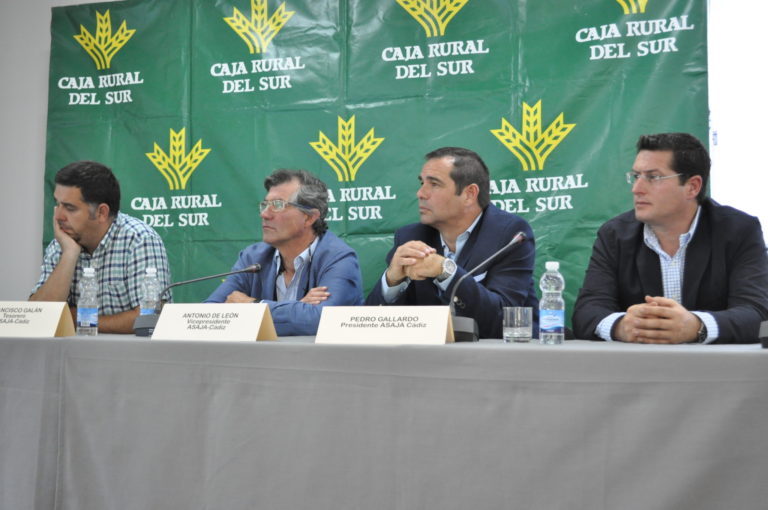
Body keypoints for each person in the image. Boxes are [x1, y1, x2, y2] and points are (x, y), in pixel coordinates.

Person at [572, 133, 768, 343]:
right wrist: (622, 326)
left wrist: (697, 326)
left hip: (716, 370)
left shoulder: (738, 230)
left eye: (653, 177)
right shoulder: (614, 235)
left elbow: (757, 313)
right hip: (636, 369)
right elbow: (587, 312)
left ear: (692, 186)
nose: (636, 189)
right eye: (636, 176)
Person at [365, 147, 538, 338]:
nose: (420, 193)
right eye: (422, 183)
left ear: (469, 194)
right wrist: (392, 280)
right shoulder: (411, 237)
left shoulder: (509, 235)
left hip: (501, 358)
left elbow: (504, 320)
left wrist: (446, 271)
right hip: (429, 360)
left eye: (434, 184)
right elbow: (372, 327)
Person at [205, 169, 363, 335]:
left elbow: (321, 321)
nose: (264, 214)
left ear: (309, 217)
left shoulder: (338, 258)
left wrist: (254, 306)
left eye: (278, 205)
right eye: (265, 205)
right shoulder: (252, 257)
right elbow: (210, 314)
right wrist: (298, 308)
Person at [30, 161, 171, 333]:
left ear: (101, 213)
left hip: (130, 356)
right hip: (72, 356)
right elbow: (39, 317)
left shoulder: (140, 240)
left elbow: (149, 318)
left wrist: (74, 318)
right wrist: (69, 254)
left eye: (69, 208)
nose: (58, 216)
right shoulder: (61, 244)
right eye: (57, 204)